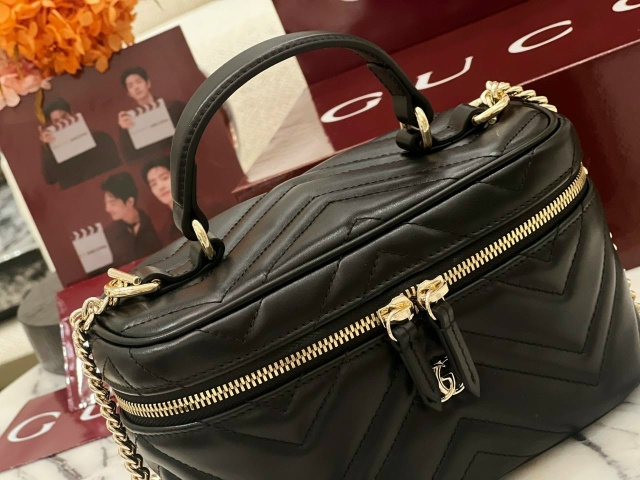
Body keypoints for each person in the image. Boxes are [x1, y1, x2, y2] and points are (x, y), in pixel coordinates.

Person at [40, 98, 121, 189]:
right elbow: (50, 179)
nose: (62, 122)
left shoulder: (101, 137)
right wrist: (46, 148)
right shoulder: (54, 154)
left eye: (64, 117)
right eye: (56, 121)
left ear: (73, 114)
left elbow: (116, 165)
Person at [117, 66, 185, 163]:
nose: (136, 87)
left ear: (148, 83)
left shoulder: (174, 107)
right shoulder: (128, 122)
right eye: (130, 86)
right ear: (129, 93)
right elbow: (129, 157)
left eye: (138, 82)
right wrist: (124, 130)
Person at [101, 172, 162, 266]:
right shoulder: (108, 234)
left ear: (130, 202)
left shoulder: (156, 222)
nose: (107, 209)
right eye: (106, 203)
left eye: (112, 203)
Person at [141, 156, 181, 243]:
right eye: (154, 184)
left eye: (164, 178)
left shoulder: (209, 208)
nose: (160, 187)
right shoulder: (165, 232)